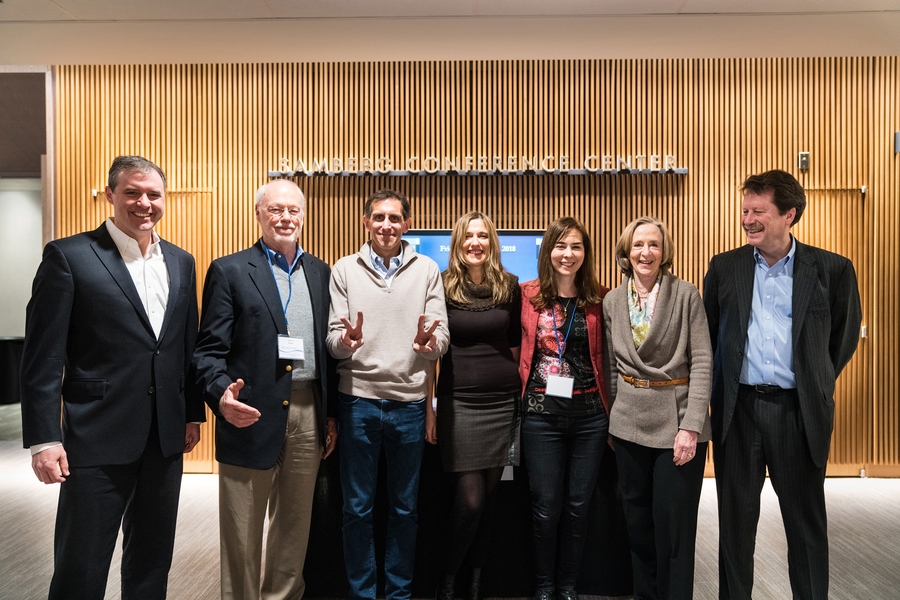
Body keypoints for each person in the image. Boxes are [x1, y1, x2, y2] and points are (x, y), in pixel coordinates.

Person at [20, 155, 204, 599]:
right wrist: (44, 439)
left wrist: (192, 414)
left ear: (165, 199)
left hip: (163, 439)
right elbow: (42, 357)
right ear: (110, 196)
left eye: (153, 194)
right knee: (81, 565)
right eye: (132, 192)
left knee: (151, 561)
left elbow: (185, 347)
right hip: (95, 438)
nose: (144, 203)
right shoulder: (69, 256)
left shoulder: (181, 261)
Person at [703, 170, 862, 600]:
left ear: (789, 214)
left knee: (805, 525)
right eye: (745, 211)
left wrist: (815, 380)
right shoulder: (724, 268)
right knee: (735, 525)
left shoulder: (831, 269)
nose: (748, 220)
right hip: (739, 412)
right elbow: (714, 337)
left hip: (798, 413)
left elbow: (843, 337)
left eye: (759, 212)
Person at [192, 179, 337, 600]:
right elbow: (207, 351)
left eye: (293, 210)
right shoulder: (230, 270)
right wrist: (221, 395)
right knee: (242, 528)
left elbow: (327, 352)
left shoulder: (320, 271)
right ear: (258, 215)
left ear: (304, 217)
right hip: (248, 411)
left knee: (295, 525)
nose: (285, 217)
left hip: (308, 410)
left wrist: (330, 414)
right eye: (275, 209)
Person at [327, 189, 450, 600]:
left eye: (394, 218)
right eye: (378, 217)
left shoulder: (428, 268)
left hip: (410, 405)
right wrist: (347, 342)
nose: (386, 225)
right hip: (357, 400)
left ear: (406, 224)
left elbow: (442, 337)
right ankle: (362, 593)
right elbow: (332, 341)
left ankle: (398, 593)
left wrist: (427, 346)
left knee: (405, 510)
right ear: (365, 223)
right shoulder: (344, 269)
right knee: (356, 509)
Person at [603, 216, 712, 600]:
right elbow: (613, 370)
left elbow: (702, 361)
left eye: (653, 244)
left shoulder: (686, 295)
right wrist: (613, 420)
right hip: (628, 425)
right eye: (637, 245)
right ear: (625, 251)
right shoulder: (613, 301)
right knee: (639, 529)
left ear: (664, 252)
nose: (645, 252)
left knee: (675, 533)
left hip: (676, 425)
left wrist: (692, 427)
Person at [518, 217, 610, 600]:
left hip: (590, 417)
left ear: (585, 253)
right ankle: (543, 586)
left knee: (577, 507)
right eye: (560, 246)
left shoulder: (601, 298)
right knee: (545, 508)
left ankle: (568, 586)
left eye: (575, 246)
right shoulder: (526, 295)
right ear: (548, 251)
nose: (567, 254)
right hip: (540, 417)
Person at [432, 212, 522, 600]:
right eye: (468, 236)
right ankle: (448, 578)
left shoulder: (511, 286)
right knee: (469, 501)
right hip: (460, 403)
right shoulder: (440, 285)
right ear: (458, 243)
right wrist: (428, 408)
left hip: (503, 402)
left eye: (482, 235)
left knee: (490, 499)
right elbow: (428, 352)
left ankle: (476, 581)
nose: (475, 242)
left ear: (492, 242)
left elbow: (517, 345)